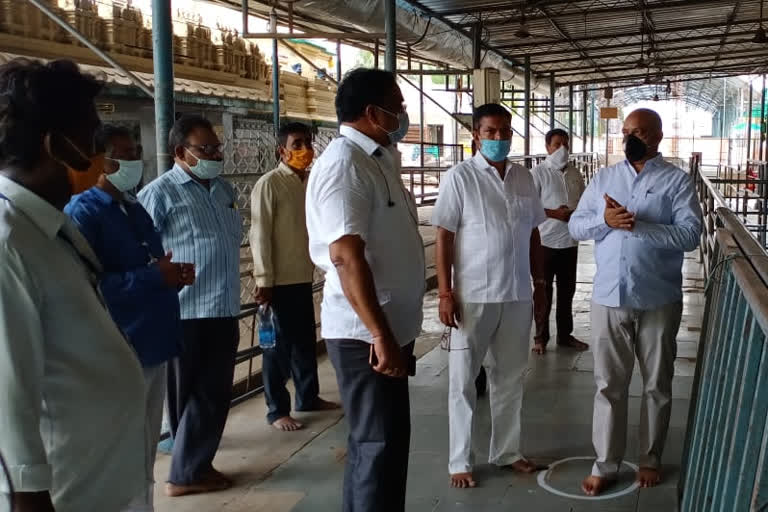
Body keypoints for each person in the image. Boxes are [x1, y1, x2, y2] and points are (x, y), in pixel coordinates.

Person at [0, 58, 146, 512]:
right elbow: (8, 400)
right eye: (90, 136)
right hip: (65, 494)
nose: (99, 153)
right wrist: (29, 499)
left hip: (102, 480)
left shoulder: (48, 226)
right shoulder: (8, 243)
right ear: (55, 145)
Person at [306, 68, 425, 512]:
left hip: (389, 330)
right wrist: (379, 335)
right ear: (373, 112)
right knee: (376, 445)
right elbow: (345, 256)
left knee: (389, 444)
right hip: (366, 337)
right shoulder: (344, 164)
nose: (404, 114)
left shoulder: (377, 158)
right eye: (398, 106)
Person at [569, 109, 702, 496]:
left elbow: (691, 234)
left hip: (658, 296)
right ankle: (605, 462)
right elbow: (577, 225)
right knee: (608, 383)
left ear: (658, 136)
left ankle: (650, 457)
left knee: (657, 383)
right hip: (609, 295)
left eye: (640, 132)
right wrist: (606, 222)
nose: (631, 138)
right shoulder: (605, 178)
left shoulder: (675, 182)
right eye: (626, 131)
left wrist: (639, 226)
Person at [64, 125, 194, 511]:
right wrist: (155, 277)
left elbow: (149, 261)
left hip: (153, 339)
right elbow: (90, 285)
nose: (135, 159)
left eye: (136, 150)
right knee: (119, 445)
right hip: (122, 343)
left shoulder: (133, 207)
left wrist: (170, 275)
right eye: (124, 152)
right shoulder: (84, 212)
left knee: (144, 443)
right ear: (102, 160)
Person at [432, 103, 548, 489]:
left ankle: (508, 452)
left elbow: (533, 232)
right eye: (491, 132)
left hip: (516, 295)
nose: (499, 139)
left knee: (511, 377)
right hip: (473, 296)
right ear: (476, 136)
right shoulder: (460, 178)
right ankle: (460, 460)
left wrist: (540, 282)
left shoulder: (523, 178)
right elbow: (444, 236)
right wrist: (445, 293)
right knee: (464, 381)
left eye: (504, 132)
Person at [138, 114, 242, 497]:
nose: (216, 154)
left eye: (218, 148)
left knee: (211, 393)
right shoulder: (160, 193)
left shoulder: (223, 190)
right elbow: (142, 251)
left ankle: (195, 465)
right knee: (195, 395)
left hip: (224, 303)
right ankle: (184, 474)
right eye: (207, 149)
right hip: (185, 309)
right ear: (181, 152)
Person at [249, 121, 339, 432]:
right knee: (277, 347)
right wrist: (264, 279)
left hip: (303, 275)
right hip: (277, 281)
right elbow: (259, 234)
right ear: (282, 150)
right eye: (297, 144)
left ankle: (308, 397)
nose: (305, 150)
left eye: (307, 143)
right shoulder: (270, 184)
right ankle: (277, 410)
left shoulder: (310, 182)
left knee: (304, 341)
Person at [530, 128, 588, 355]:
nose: (562, 149)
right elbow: (530, 208)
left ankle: (565, 335)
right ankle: (540, 337)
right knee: (543, 291)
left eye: (566, 144)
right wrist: (555, 214)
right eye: (557, 144)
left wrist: (574, 214)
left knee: (567, 291)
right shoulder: (538, 174)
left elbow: (584, 203)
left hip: (570, 241)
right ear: (547, 147)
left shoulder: (576, 174)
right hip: (544, 241)